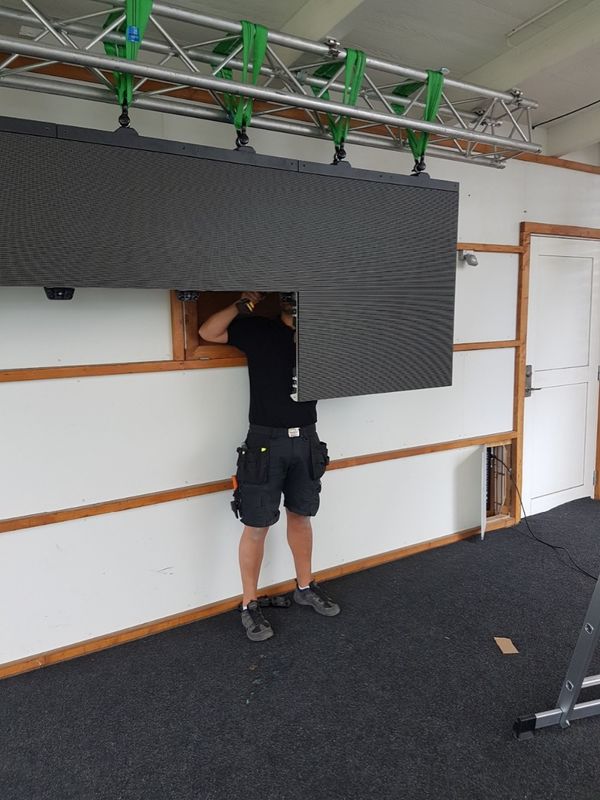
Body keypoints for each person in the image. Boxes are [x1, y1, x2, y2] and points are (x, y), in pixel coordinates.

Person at [198, 292, 340, 641]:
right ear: (281, 300)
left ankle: (304, 586)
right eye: (289, 298)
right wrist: (239, 305)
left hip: (307, 439)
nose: (294, 304)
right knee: (256, 524)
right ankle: (249, 604)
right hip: (265, 441)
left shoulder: (322, 336)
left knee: (301, 516)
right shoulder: (259, 330)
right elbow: (208, 332)